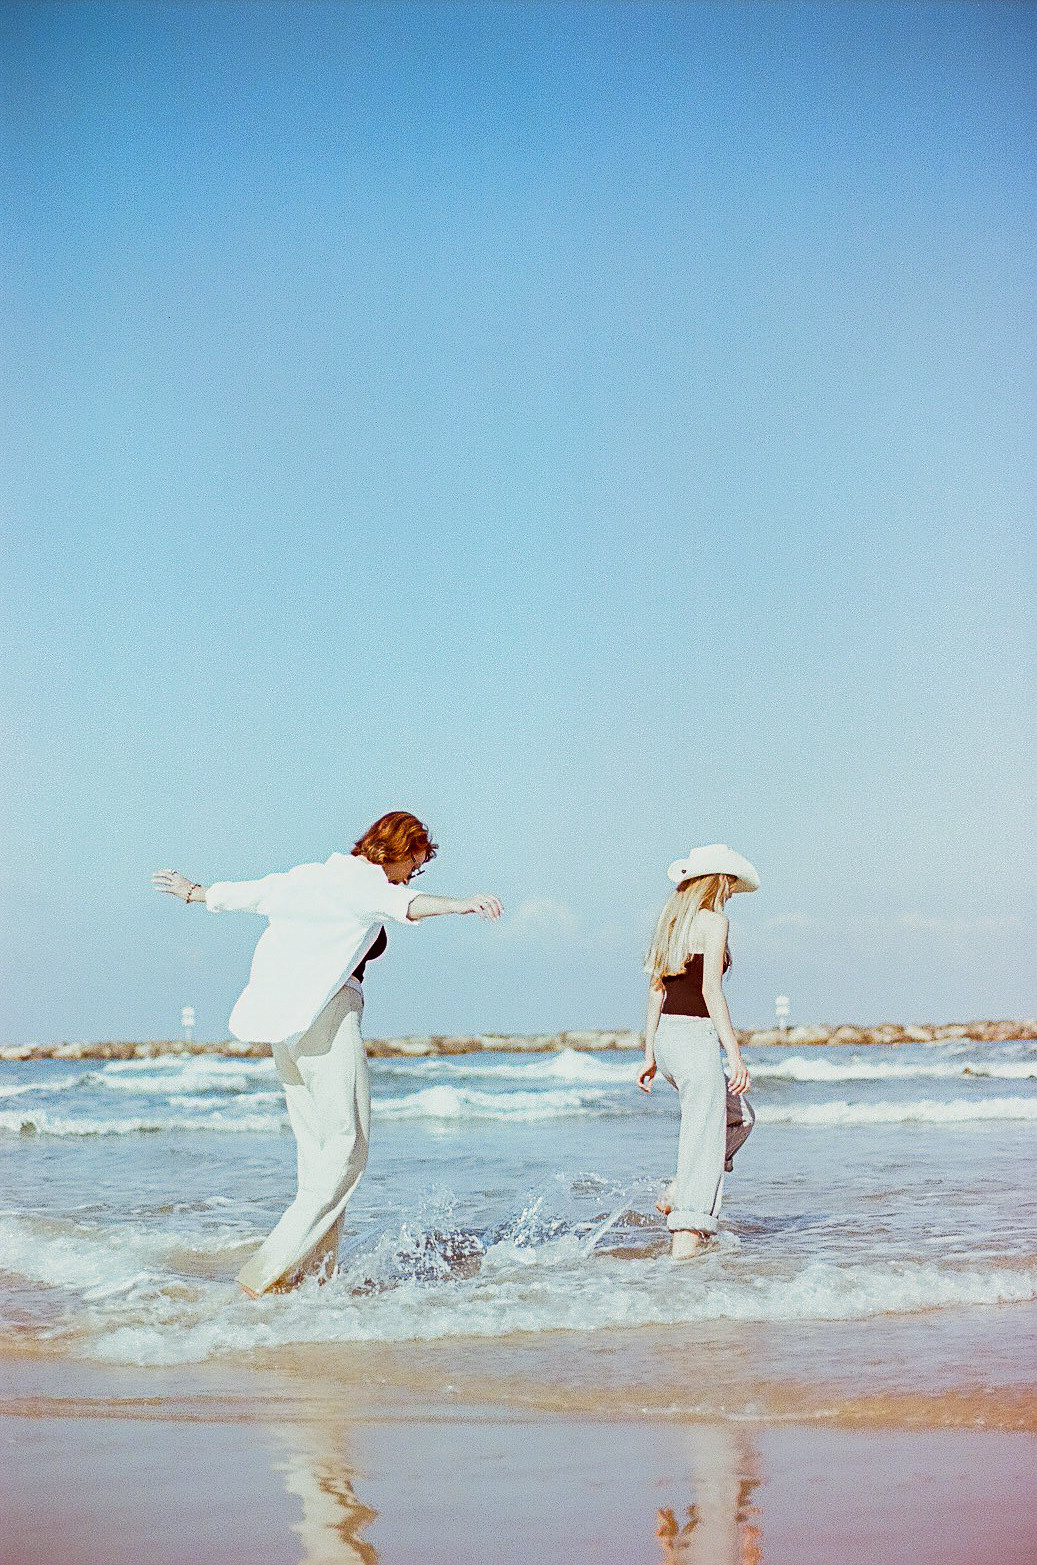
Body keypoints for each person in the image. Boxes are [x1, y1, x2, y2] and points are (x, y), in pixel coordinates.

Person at [152, 811, 502, 1297]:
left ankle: (311, 1280)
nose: (410, 877)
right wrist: (463, 904)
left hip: (287, 1029)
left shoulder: (311, 877)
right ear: (397, 851)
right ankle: (263, 1274)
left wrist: (196, 893)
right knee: (346, 1150)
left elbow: (252, 892)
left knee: (317, 1157)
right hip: (327, 1018)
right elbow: (410, 904)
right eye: (413, 866)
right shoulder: (366, 883)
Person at [638, 844, 759, 1261]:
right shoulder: (715, 922)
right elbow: (711, 991)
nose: (730, 893)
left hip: (670, 1041)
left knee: (739, 1117)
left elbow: (657, 989)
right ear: (719, 880)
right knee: (703, 1141)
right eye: (730, 885)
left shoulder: (669, 922)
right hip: (693, 1038)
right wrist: (736, 1055)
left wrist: (651, 1053)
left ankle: (677, 1189)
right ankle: (684, 1247)